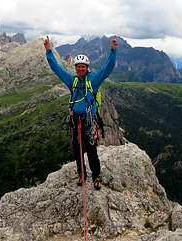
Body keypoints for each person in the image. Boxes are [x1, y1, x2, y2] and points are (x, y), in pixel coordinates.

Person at [44, 36, 117, 190]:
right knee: (77, 150)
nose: (80, 69)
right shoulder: (73, 81)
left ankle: (96, 176)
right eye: (78, 67)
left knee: (91, 151)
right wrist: (49, 51)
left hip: (89, 122)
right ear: (76, 68)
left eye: (83, 67)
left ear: (87, 68)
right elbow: (57, 69)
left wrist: (113, 50)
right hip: (76, 121)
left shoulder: (94, 81)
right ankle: (81, 175)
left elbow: (107, 69)